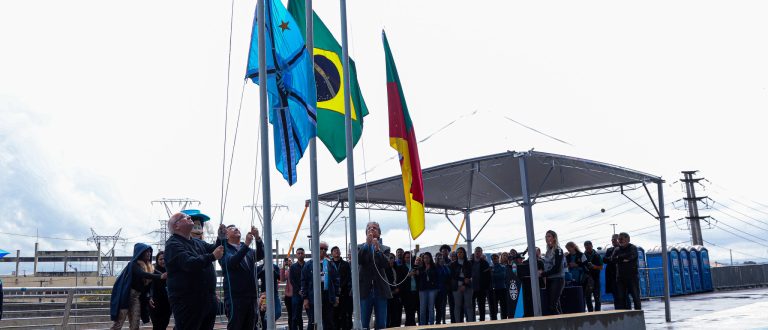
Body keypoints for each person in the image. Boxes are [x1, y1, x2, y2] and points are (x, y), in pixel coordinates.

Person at [164, 212, 225, 330]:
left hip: (206, 300)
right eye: (185, 217)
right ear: (176, 226)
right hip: (188, 301)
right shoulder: (173, 244)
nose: (189, 217)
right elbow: (189, 263)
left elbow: (214, 248)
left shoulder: (197, 242)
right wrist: (212, 256)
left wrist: (220, 238)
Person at [218, 224, 264, 330]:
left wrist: (257, 238)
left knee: (250, 326)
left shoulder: (247, 249)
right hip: (235, 298)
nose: (236, 229)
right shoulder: (224, 249)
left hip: (251, 297)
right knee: (236, 326)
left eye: (237, 227)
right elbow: (231, 262)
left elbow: (260, 255)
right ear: (226, 235)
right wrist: (247, 245)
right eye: (231, 229)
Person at [110, 243, 163, 330]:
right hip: (125, 297)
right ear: (141, 252)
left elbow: (157, 273)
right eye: (146, 252)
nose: (149, 254)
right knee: (118, 325)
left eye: (150, 252)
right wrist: (161, 276)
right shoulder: (133, 264)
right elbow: (142, 274)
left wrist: (168, 276)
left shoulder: (149, 266)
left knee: (135, 325)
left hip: (136, 298)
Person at [358, 221, 392, 330]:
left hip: (380, 290)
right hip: (364, 290)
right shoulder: (359, 247)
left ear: (379, 233)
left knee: (381, 323)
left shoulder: (385, 248)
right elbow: (359, 260)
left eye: (374, 228)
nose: (371, 229)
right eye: (369, 228)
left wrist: (377, 250)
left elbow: (386, 264)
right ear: (366, 232)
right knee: (363, 323)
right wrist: (367, 245)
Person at [302, 241, 339, 330]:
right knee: (313, 320)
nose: (323, 251)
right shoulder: (308, 264)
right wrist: (305, 298)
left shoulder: (330, 263)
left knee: (328, 320)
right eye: (321, 248)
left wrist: (336, 296)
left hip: (327, 293)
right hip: (313, 294)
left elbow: (336, 280)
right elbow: (304, 282)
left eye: (325, 249)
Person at [611, 232, 641, 310]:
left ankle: (638, 315)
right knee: (621, 298)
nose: (620, 240)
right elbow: (613, 259)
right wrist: (623, 258)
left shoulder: (633, 248)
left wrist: (619, 258)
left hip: (632, 277)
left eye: (621, 239)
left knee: (635, 296)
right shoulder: (617, 249)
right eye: (619, 239)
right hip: (620, 277)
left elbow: (632, 257)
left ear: (628, 239)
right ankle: (624, 315)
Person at [540, 230, 566, 315]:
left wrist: (543, 274)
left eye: (549, 236)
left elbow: (557, 268)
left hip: (557, 279)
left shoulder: (558, 250)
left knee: (552, 306)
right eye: (546, 236)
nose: (547, 238)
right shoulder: (548, 251)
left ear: (554, 238)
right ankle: (563, 324)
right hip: (550, 280)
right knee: (556, 305)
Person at [449, 246, 474, 322]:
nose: (459, 254)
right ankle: (458, 323)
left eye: (461, 252)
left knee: (468, 306)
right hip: (457, 287)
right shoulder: (453, 264)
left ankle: (470, 323)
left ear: (464, 253)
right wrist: (463, 280)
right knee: (457, 306)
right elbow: (453, 276)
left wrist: (464, 284)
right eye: (458, 252)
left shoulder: (468, 263)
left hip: (468, 287)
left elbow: (470, 275)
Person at [330, 246, 352, 330]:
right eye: (335, 251)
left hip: (344, 293)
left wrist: (341, 286)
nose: (337, 252)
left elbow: (348, 277)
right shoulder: (329, 264)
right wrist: (335, 288)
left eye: (338, 250)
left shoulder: (345, 264)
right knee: (334, 315)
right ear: (332, 254)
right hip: (333, 293)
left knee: (344, 314)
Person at [149, 251, 171, 330]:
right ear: (157, 261)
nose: (163, 261)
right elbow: (149, 286)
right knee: (157, 325)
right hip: (155, 302)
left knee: (165, 324)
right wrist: (150, 297)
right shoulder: (152, 271)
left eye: (164, 259)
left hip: (167, 303)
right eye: (160, 259)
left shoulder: (171, 270)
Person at [416, 252, 439, 325]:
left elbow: (436, 277)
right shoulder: (420, 268)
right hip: (422, 290)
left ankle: (431, 324)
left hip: (432, 289)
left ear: (430, 258)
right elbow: (418, 278)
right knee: (422, 309)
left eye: (427, 258)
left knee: (431, 308)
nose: (426, 259)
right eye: (424, 258)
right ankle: (422, 325)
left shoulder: (434, 267)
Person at [257, 262, 282, 328]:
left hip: (274, 293)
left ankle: (267, 322)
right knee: (263, 312)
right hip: (264, 294)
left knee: (278, 312)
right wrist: (262, 270)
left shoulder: (275, 267)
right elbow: (255, 277)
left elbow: (280, 278)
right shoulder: (260, 267)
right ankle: (266, 325)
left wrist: (273, 271)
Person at [471, 246, 491, 321]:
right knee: (471, 306)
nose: (478, 253)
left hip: (482, 288)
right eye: (476, 251)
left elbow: (488, 276)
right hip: (471, 288)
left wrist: (486, 287)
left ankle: (482, 321)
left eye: (479, 251)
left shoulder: (485, 263)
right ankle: (472, 320)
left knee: (481, 306)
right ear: (474, 252)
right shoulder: (470, 262)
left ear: (481, 253)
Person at [583, 241, 604, 312]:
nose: (587, 247)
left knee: (597, 297)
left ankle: (598, 312)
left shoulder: (597, 255)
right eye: (586, 246)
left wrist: (593, 266)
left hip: (595, 279)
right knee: (588, 298)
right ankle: (590, 313)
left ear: (592, 246)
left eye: (588, 246)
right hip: (586, 279)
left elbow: (601, 267)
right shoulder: (583, 255)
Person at [385, 253, 404, 327]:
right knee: (388, 316)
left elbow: (401, 280)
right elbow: (385, 281)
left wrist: (398, 288)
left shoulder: (397, 268)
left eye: (392, 257)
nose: (390, 259)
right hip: (388, 295)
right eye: (388, 258)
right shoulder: (384, 269)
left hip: (397, 294)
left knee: (396, 315)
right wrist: (392, 289)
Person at [290, 247, 307, 330]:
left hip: (307, 293)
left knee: (311, 315)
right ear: (296, 255)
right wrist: (298, 290)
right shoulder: (293, 267)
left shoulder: (308, 265)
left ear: (304, 254)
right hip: (296, 294)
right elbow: (292, 280)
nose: (300, 255)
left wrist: (304, 290)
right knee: (295, 316)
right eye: (298, 253)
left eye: (302, 253)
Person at [488, 254, 508, 320]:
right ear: (491, 260)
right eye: (493, 258)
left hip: (502, 288)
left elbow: (502, 276)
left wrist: (493, 274)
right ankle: (494, 320)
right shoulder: (490, 268)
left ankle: (504, 320)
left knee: (503, 307)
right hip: (494, 289)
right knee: (494, 307)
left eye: (496, 258)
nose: (494, 260)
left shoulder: (502, 267)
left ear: (498, 258)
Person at [603, 234, 620, 309]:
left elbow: (619, 259)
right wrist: (612, 258)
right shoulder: (609, 250)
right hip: (612, 275)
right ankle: (617, 310)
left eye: (614, 240)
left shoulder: (621, 249)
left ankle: (626, 310)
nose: (613, 241)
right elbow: (604, 260)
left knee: (623, 295)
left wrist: (611, 259)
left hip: (620, 275)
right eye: (612, 240)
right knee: (615, 295)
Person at [434, 252, 451, 325]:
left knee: (443, 306)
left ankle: (443, 321)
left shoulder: (445, 267)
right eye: (438, 258)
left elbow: (449, 275)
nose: (440, 259)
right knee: (436, 307)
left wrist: (443, 265)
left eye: (441, 258)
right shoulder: (434, 267)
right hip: (435, 290)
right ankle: (437, 321)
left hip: (443, 290)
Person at [280, 258, 295, 330]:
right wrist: (283, 267)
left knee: (296, 314)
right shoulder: (287, 271)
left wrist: (291, 267)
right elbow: (282, 279)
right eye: (287, 261)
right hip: (288, 296)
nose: (288, 262)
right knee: (290, 315)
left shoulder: (295, 269)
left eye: (290, 261)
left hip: (296, 295)